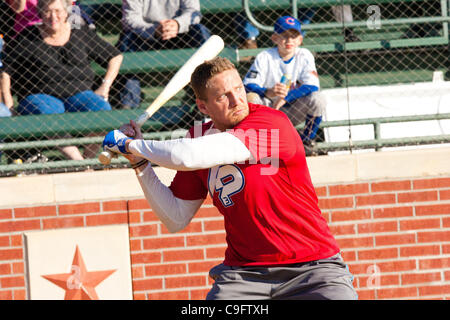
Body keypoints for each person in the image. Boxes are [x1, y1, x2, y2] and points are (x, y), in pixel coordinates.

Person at [102, 56, 358, 300]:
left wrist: (129, 145)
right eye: (224, 96)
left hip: (312, 268)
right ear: (203, 106)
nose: (238, 100)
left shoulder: (271, 122)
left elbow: (185, 156)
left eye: (239, 88)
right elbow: (175, 217)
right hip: (243, 275)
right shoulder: (199, 136)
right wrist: (140, 162)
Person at [2, 0, 123, 160]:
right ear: (40, 14)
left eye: (58, 11)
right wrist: (9, 104)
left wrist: (105, 86)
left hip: (79, 95)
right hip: (40, 95)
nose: (53, 16)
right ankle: (79, 162)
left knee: (102, 109)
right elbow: (5, 72)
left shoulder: (80, 32)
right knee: (47, 113)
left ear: (66, 12)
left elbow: (115, 56)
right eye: (47, 11)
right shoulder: (27, 36)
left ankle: (88, 159)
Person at [243, 16, 327, 156]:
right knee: (251, 98)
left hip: (294, 108)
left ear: (300, 39)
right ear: (275, 38)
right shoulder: (265, 56)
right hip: (270, 108)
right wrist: (267, 92)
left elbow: (312, 86)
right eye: (284, 35)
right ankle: (259, 143)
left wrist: (286, 97)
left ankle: (306, 141)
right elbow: (247, 84)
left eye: (293, 36)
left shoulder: (304, 55)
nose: (289, 41)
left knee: (318, 99)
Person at [118, 0, 211, 109]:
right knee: (128, 39)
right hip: (146, 36)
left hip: (181, 34)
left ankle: (207, 97)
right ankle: (129, 104)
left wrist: (177, 24)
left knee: (200, 31)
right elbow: (130, 19)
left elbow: (193, 12)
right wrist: (154, 30)